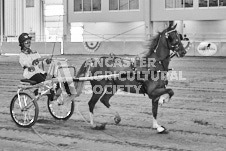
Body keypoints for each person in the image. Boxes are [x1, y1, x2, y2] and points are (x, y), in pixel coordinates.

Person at [18, 33, 54, 97]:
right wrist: (37, 60)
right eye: (26, 42)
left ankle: (39, 92)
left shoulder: (34, 52)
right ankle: (51, 96)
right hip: (30, 74)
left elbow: (42, 62)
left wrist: (47, 61)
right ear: (22, 44)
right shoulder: (22, 55)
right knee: (45, 82)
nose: (29, 44)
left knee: (52, 78)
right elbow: (27, 64)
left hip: (39, 72)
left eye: (29, 42)